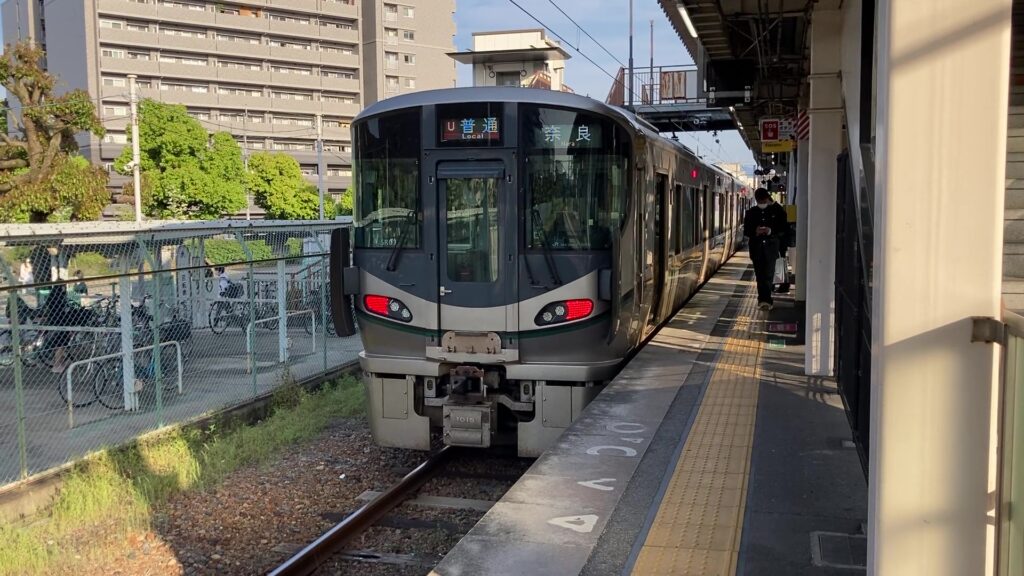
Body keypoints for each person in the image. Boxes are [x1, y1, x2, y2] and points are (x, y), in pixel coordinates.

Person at [743, 188, 789, 311]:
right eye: (760, 200)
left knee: (769, 273)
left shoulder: (776, 211)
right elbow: (746, 231)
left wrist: (770, 231)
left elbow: (783, 227)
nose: (762, 202)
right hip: (756, 249)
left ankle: (766, 299)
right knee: (759, 275)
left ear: (767, 199)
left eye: (763, 199)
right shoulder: (751, 212)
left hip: (771, 248)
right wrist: (755, 231)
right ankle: (762, 298)